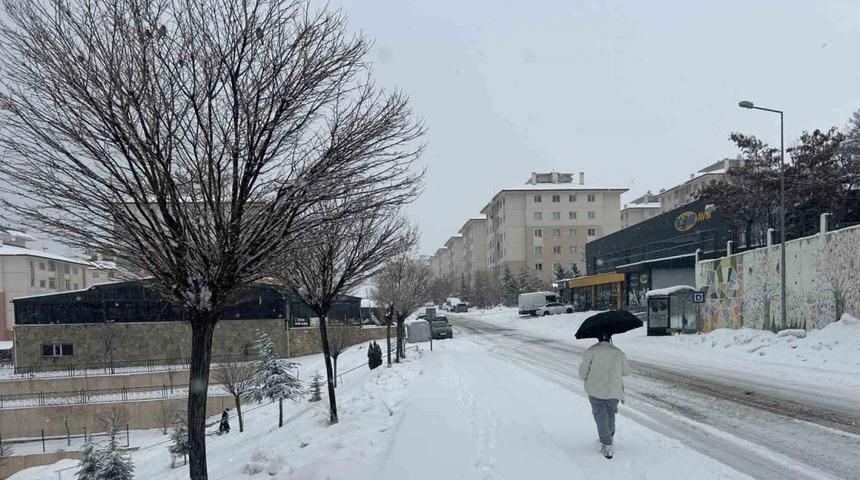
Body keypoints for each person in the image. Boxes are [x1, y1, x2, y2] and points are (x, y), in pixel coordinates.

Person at [578, 332, 631, 459]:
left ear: (598, 338)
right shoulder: (618, 352)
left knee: (600, 415)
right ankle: (609, 437)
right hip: (614, 391)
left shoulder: (591, 351)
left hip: (596, 390)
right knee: (610, 413)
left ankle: (606, 444)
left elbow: (582, 374)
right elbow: (626, 371)